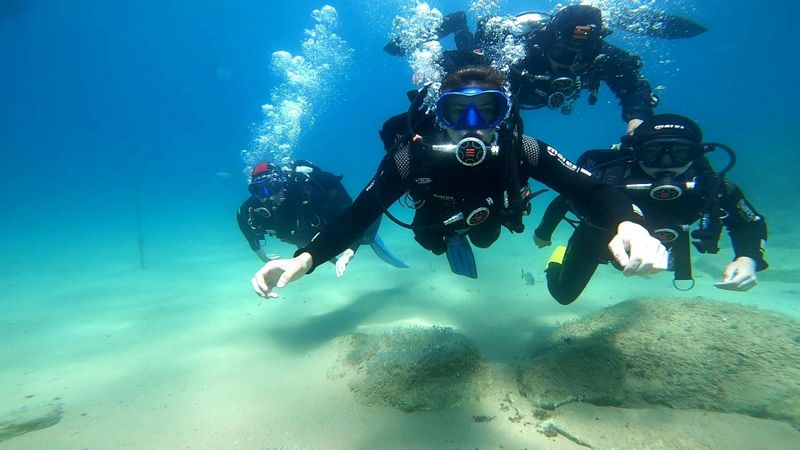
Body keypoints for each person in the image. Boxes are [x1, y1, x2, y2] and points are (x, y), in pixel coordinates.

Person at [251, 65, 668, 298]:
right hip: (436, 216)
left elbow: (590, 189)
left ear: (503, 116)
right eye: (457, 113)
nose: (472, 126)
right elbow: (359, 214)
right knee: (432, 240)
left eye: (487, 111)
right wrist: (305, 258)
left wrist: (629, 222)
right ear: (439, 116)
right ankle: (452, 237)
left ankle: (469, 233)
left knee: (486, 238)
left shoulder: (524, 149)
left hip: (492, 211)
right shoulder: (409, 157)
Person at [534, 114, 768, 304]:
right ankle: (555, 258)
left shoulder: (714, 185)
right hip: (597, 239)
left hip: (664, 240)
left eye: (680, 153)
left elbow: (749, 222)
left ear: (696, 154)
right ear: (637, 153)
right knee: (563, 295)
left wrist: (748, 258)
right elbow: (564, 199)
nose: (666, 164)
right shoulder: (609, 179)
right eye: (652, 153)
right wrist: (543, 234)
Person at [387, 5, 667, 134]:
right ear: (550, 41)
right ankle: (460, 24)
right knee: (475, 57)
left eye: (580, 53)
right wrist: (436, 76)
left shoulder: (600, 54)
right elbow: (467, 69)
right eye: (561, 52)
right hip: (499, 66)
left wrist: (638, 118)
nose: (570, 59)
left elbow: (633, 84)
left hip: (529, 94)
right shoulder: (525, 48)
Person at [236, 159, 407, 277]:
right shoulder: (253, 207)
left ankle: (371, 238)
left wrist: (349, 251)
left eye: (271, 187)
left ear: (281, 181)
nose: (266, 197)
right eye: (258, 191)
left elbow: (353, 217)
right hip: (307, 239)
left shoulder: (310, 194)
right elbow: (240, 217)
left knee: (366, 233)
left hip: (337, 228)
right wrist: (260, 254)